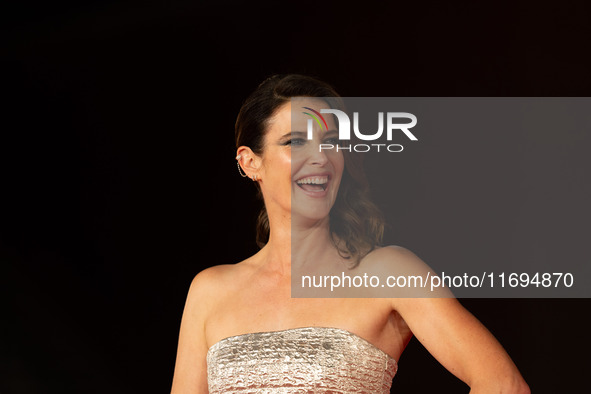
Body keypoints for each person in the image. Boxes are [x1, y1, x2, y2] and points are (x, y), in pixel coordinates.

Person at [171, 74, 530, 393]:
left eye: (330, 141)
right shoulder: (210, 291)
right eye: (295, 142)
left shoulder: (389, 272)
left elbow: (503, 383)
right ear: (251, 162)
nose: (321, 158)